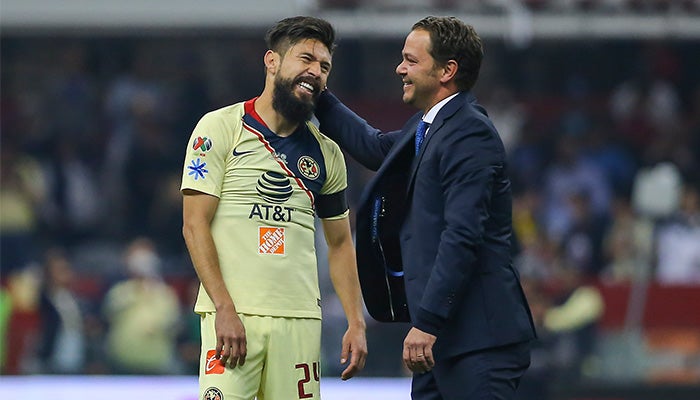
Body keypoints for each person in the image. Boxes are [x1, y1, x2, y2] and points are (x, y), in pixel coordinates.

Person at [315, 16, 536, 399]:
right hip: (443, 341)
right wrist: (318, 93)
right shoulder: (430, 128)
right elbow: (375, 147)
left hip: (476, 340)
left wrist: (429, 322)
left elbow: (462, 234)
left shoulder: (470, 132)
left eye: (411, 60)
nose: (400, 68)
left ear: (447, 70)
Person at [180, 16, 367, 400]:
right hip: (233, 316)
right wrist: (224, 308)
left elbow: (340, 243)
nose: (315, 72)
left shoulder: (327, 154)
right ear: (272, 62)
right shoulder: (219, 128)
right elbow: (194, 225)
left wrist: (355, 320)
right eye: (306, 60)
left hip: (299, 320)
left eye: (324, 66)